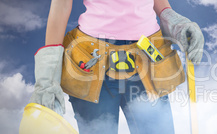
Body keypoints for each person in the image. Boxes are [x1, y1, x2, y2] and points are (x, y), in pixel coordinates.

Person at [29, 0, 204, 133]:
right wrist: (48, 73)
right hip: (92, 63)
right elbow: (61, 6)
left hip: (147, 58)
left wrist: (172, 20)